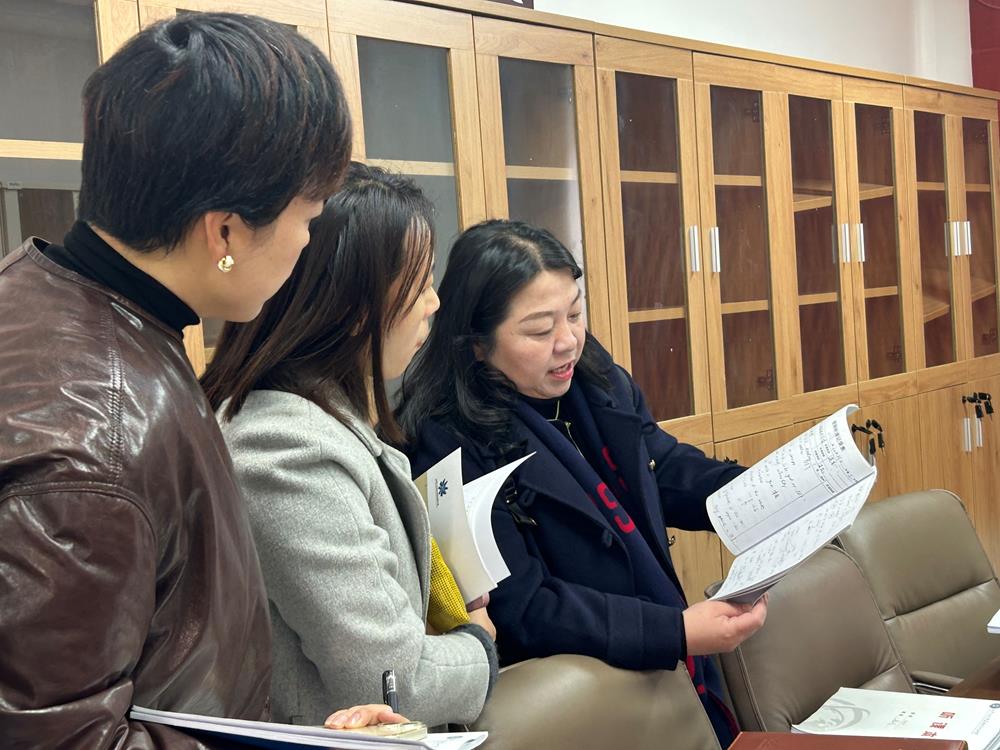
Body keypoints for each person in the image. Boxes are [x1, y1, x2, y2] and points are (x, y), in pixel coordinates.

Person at [0, 13, 398, 748]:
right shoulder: (97, 438)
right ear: (225, 233)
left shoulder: (62, 299)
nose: (308, 242)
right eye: (308, 217)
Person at [397, 219, 768, 746]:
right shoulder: (444, 446)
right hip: (580, 697)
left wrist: (767, 493)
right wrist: (676, 631)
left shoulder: (593, 377)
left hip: (660, 651)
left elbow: (660, 466)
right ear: (477, 344)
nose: (568, 341)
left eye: (574, 314)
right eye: (539, 330)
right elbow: (524, 608)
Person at [201, 163, 499, 729]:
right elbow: (391, 680)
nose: (434, 303)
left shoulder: (321, 419)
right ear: (351, 304)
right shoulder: (283, 448)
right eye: (418, 283)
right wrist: (478, 646)